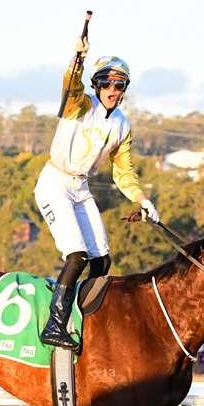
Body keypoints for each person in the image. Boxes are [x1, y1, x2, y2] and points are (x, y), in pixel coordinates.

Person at [34, 35, 156, 350]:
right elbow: (70, 84)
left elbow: (124, 170)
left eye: (120, 86)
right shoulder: (81, 103)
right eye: (109, 85)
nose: (114, 91)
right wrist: (77, 58)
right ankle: (54, 324)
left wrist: (143, 200)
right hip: (55, 183)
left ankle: (88, 320)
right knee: (77, 256)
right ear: (98, 85)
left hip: (81, 188)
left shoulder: (122, 125)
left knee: (102, 261)